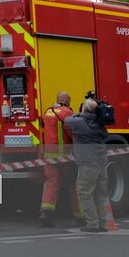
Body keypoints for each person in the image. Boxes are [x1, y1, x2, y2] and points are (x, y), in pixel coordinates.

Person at [65, 98, 109, 232]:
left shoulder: (79, 122)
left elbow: (67, 121)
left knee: (85, 193)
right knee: (101, 195)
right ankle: (103, 224)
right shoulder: (99, 124)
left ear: (84, 109)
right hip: (101, 163)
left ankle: (92, 224)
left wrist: (80, 113)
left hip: (87, 164)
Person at [39, 92, 82, 227]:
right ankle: (80, 216)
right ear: (66, 101)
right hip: (64, 156)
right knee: (73, 184)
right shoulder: (67, 112)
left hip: (48, 155)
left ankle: (46, 212)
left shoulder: (48, 112)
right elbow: (71, 132)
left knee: (51, 183)